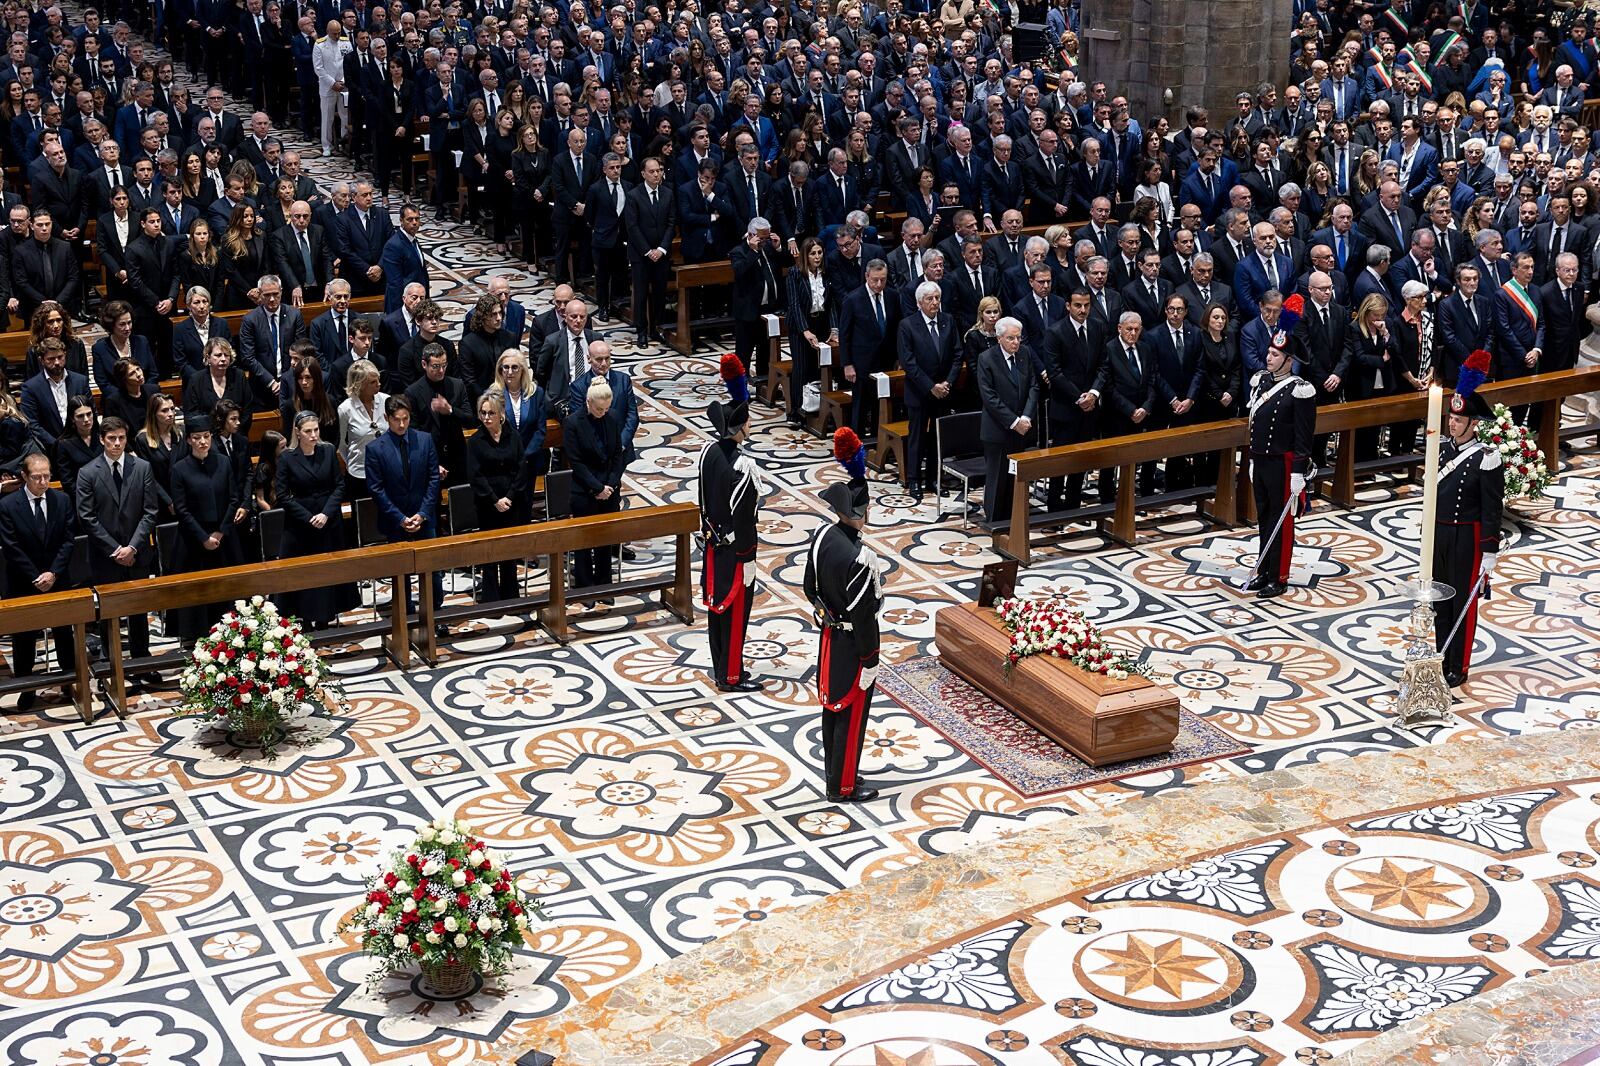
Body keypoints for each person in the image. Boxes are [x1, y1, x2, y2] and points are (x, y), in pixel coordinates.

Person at [803, 434, 884, 804]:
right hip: (853, 646)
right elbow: (865, 616)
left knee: (831, 710)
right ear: (861, 513)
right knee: (851, 716)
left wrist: (827, 616)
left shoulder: (823, 536)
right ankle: (843, 786)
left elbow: (809, 588)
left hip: (829, 638)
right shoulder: (861, 558)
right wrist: (870, 658)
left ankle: (835, 773)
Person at [1434, 352, 1504, 688]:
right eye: (1451, 418)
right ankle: (1440, 655)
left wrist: (1489, 550)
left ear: (1473, 424)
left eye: (1459, 420)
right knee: (1440, 598)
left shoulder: (1487, 458)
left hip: (1467, 538)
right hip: (1440, 534)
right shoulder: (1441, 450)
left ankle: (1457, 666)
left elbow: (1492, 508)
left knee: (1462, 601)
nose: (1452, 424)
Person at [75, 416, 159, 685]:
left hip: (137, 553)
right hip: (105, 556)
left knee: (138, 610)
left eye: (121, 438)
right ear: (102, 439)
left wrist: (132, 546)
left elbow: (150, 511)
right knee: (108, 613)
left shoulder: (142, 467)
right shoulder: (88, 472)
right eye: (111, 438)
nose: (117, 443)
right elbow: (87, 517)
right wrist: (116, 549)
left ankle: (142, 660)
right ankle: (110, 665)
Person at [699, 356, 764, 692]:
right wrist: (749, 556)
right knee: (736, 614)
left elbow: (703, 500)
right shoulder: (743, 466)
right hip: (736, 553)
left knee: (717, 612)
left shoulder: (708, 453)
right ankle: (731, 676)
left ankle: (720, 667)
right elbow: (745, 517)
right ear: (740, 428)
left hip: (713, 545)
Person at [0, 453, 77, 708]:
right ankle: (26, 687)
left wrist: (53, 573)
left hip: (57, 578)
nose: (43, 482)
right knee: (24, 638)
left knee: (64, 632)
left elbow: (68, 541)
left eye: (47, 476)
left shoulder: (62, 500)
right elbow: (11, 547)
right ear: (24, 476)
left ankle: (69, 681)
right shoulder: (8, 505)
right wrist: (35, 576)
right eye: (37, 477)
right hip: (23, 581)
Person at [363, 394, 445, 626]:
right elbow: (376, 489)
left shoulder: (425, 440)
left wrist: (423, 513)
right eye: (396, 419)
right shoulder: (375, 449)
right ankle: (406, 616)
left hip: (424, 517)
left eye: (405, 419)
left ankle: (435, 615)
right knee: (401, 573)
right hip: (395, 520)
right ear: (387, 418)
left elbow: (433, 479)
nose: (401, 424)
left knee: (432, 569)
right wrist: (400, 518)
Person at [1245, 335, 1316, 599]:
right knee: (1264, 517)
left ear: (1288, 361)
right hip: (1262, 461)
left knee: (1282, 522)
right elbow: (1254, 426)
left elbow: (1304, 436)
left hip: (1283, 465)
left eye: (1275, 355)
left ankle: (1279, 577)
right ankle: (1264, 570)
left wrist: (1298, 471)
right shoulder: (1262, 381)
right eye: (1269, 352)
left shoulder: (1299, 390)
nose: (1268, 358)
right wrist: (1252, 459)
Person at [169, 414, 245, 643]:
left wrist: (220, 532)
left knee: (227, 588)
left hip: (223, 537)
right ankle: (195, 637)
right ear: (189, 440)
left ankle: (230, 633)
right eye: (196, 437)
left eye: (206, 436)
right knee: (197, 591)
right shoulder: (180, 469)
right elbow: (181, 509)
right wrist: (204, 537)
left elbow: (233, 499)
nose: (202, 441)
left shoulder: (223, 461)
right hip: (193, 540)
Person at [276, 410, 350, 627]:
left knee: (328, 571)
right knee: (306, 573)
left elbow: (339, 486)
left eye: (316, 430)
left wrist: (326, 513)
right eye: (308, 431)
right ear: (297, 433)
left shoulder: (328, 451)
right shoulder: (287, 458)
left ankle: (326, 617)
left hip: (328, 519)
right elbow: (282, 495)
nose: (313, 435)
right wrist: (309, 517)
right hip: (301, 523)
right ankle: (306, 618)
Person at [897, 279, 962, 500]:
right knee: (917, 436)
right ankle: (914, 479)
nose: (935, 302)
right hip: (919, 391)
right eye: (929, 299)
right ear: (919, 303)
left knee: (937, 437)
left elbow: (957, 354)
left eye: (937, 298)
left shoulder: (948, 320)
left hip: (943, 391)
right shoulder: (907, 325)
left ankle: (934, 478)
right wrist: (930, 386)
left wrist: (947, 383)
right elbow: (909, 363)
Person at [464, 391, 527, 602]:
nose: (486, 417)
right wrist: (494, 499)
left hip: (511, 503)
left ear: (501, 414)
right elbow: (475, 476)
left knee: (509, 550)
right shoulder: (475, 441)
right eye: (483, 413)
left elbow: (521, 469)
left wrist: (509, 496)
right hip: (487, 505)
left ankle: (511, 595)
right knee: (489, 552)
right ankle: (491, 598)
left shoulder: (513, 436)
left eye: (491, 413)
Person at [563, 379, 626, 590]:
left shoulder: (612, 417)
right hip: (584, 491)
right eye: (599, 409)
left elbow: (617, 455)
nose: (603, 413)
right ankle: (584, 586)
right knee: (584, 541)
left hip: (609, 489)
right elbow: (576, 462)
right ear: (588, 402)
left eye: (606, 408)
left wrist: (610, 485)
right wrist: (597, 488)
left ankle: (604, 585)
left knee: (605, 540)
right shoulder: (573, 423)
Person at [976, 316, 1040, 522]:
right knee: (997, 478)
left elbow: (1033, 386)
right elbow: (989, 397)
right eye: (1011, 338)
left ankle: (1014, 519)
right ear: (999, 338)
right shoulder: (986, 359)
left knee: (1015, 476)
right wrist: (1014, 422)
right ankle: (994, 521)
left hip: (1022, 428)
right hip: (998, 430)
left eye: (1018, 338)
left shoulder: (1025, 354)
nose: (1016, 342)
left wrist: (1026, 416)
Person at [624, 156, 677, 346]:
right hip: (641, 254)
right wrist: (648, 251)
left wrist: (661, 249)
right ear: (643, 174)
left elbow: (671, 223)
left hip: (661, 253)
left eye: (659, 171)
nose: (656, 174)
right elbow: (632, 226)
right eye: (652, 171)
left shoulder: (668, 193)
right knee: (641, 293)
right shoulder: (633, 195)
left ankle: (657, 328)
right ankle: (641, 331)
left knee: (659, 292)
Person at [337, 358, 387, 501]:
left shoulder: (386, 400)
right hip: (359, 473)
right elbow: (341, 444)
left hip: (386, 470)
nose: (379, 384)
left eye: (378, 379)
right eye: (372, 382)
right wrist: (352, 462)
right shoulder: (345, 409)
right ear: (359, 385)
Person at [53, 395, 101, 506]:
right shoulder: (63, 444)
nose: (86, 419)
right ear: (72, 419)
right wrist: (86, 500)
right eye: (80, 416)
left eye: (89, 414)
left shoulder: (103, 436)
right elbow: (67, 481)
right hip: (82, 500)